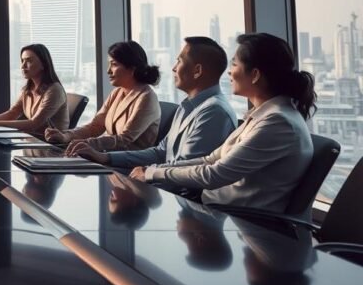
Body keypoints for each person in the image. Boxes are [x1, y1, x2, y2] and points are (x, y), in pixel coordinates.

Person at [131, 33, 315, 214]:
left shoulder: (277, 123)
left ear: (255, 75)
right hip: (212, 208)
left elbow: (214, 175)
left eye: (234, 64)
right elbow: (210, 159)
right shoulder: (263, 116)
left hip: (237, 220)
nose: (229, 71)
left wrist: (152, 174)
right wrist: (152, 170)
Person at [71, 37, 238, 175]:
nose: (173, 68)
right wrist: (105, 158)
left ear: (197, 71)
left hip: (180, 199)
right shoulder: (187, 107)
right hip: (161, 182)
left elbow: (187, 170)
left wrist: (148, 173)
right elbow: (160, 152)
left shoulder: (214, 112)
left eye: (179, 61)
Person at [48, 41, 161, 152]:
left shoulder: (146, 98)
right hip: (107, 155)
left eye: (114, 64)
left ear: (132, 68)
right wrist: (66, 136)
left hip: (128, 164)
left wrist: (86, 144)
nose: (108, 71)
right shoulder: (117, 93)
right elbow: (95, 126)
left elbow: (125, 139)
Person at [0, 43, 68, 134]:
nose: (23, 66)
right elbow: (13, 113)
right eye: (22, 61)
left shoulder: (54, 90)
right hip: (33, 140)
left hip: (51, 144)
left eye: (29, 61)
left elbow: (34, 123)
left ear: (43, 64)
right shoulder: (28, 90)